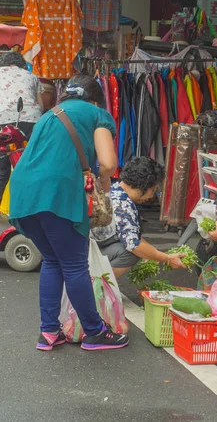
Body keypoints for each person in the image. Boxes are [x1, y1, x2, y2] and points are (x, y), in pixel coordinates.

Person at [9, 75, 129, 352]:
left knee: (52, 260)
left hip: (24, 194)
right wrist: (103, 183)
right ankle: (95, 332)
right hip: (58, 193)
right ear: (95, 99)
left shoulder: (48, 115)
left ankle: (49, 332)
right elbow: (108, 163)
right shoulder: (97, 114)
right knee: (74, 265)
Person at [91, 157, 186, 278]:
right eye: (154, 190)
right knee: (131, 253)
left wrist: (153, 254)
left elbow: (133, 235)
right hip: (87, 253)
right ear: (144, 185)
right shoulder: (123, 204)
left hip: (90, 248)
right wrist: (167, 258)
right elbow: (133, 245)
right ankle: (99, 286)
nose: (152, 195)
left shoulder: (115, 189)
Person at [0, 51, 44, 197]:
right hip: (31, 121)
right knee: (28, 166)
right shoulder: (33, 77)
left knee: (1, 170)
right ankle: (28, 209)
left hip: (2, 121)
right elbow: (41, 106)